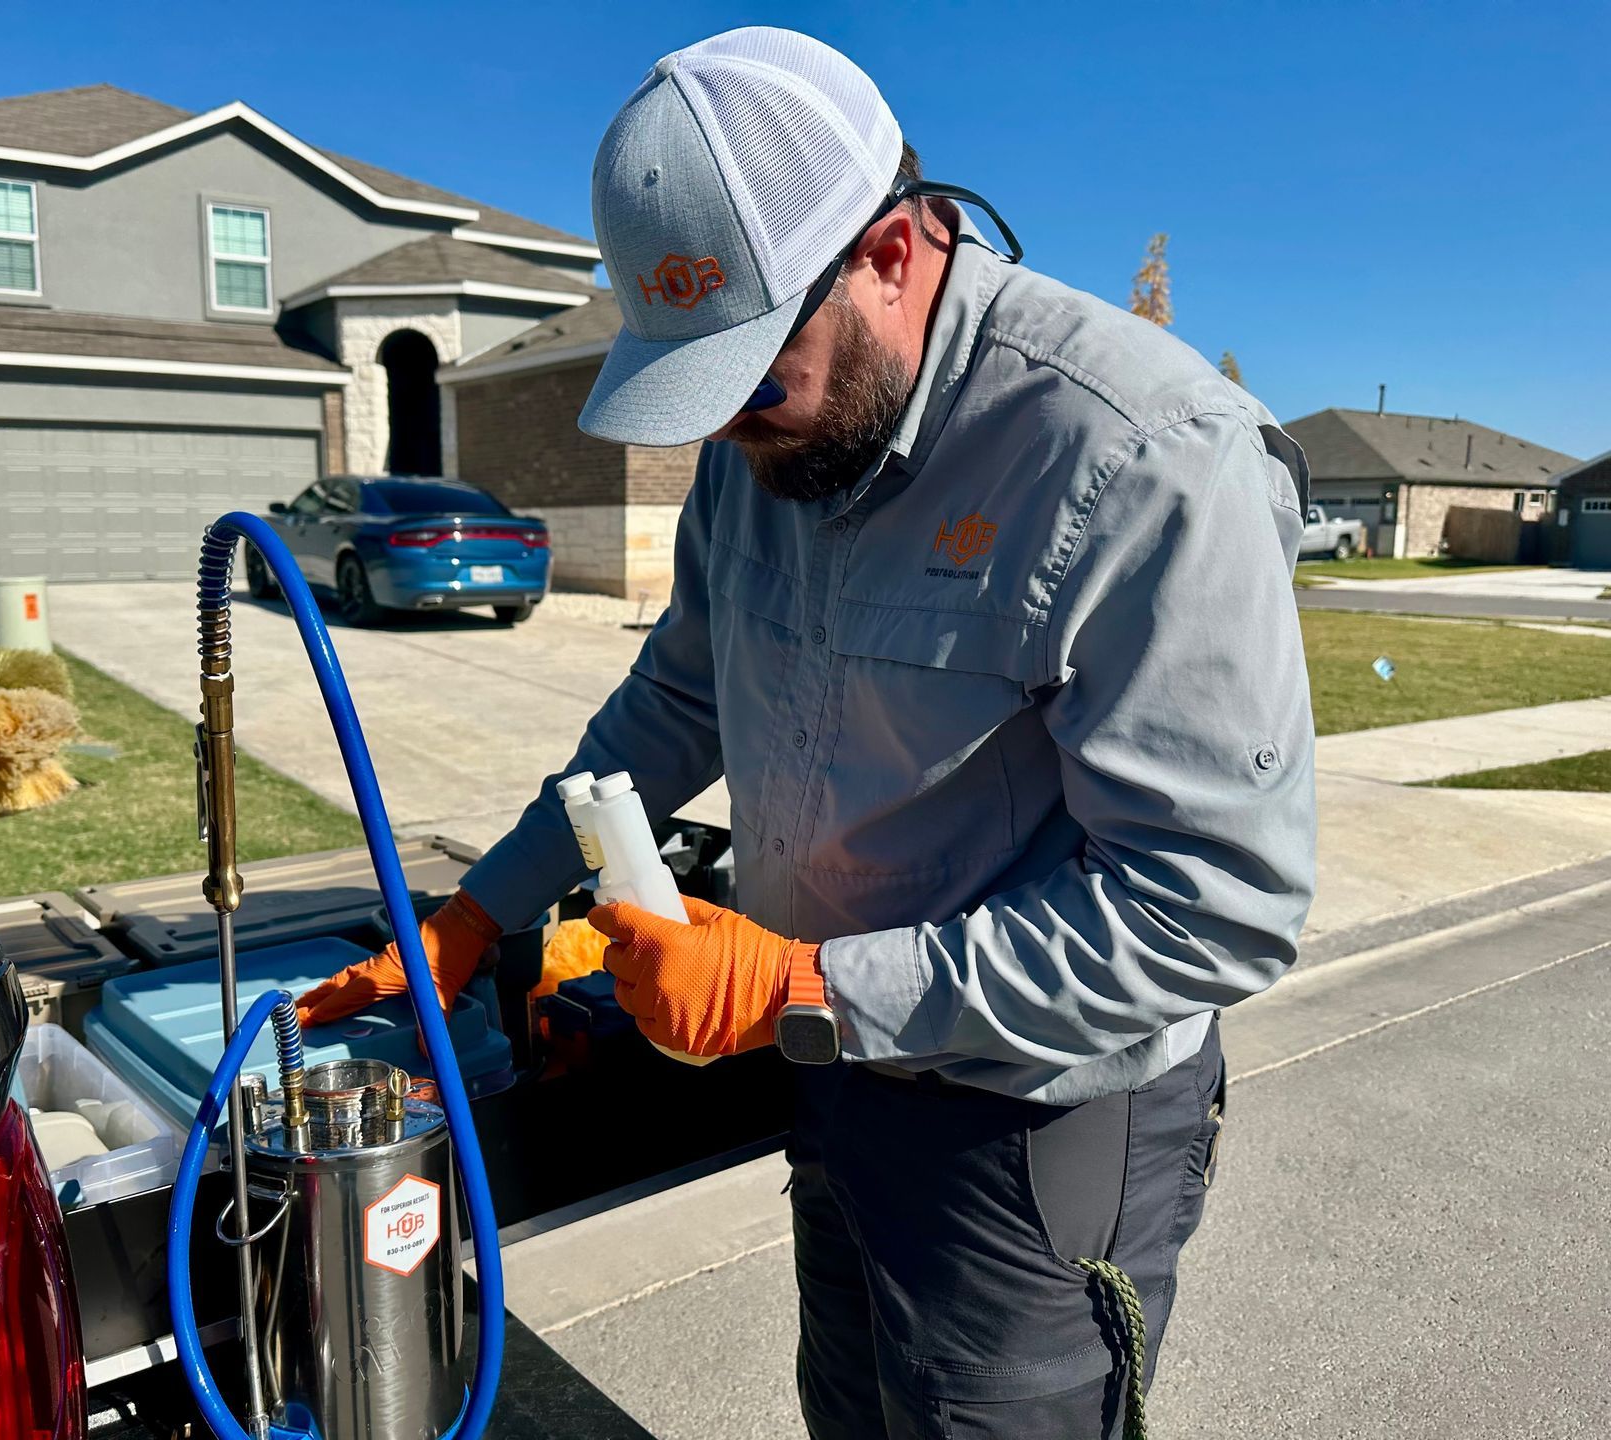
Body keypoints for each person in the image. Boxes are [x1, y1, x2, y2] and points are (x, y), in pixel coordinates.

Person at [300, 26, 1316, 1440]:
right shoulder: (767, 449)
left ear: (892, 254)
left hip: (1029, 1126)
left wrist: (811, 983)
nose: (729, 429)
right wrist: (481, 913)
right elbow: (677, 701)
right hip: (830, 1081)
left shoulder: (1138, 455)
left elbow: (1214, 908)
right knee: (850, 1409)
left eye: (752, 374)